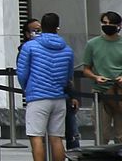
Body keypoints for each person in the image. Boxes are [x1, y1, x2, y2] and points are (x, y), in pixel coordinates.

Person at [18, 12, 76, 161]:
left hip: (37, 96)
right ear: (58, 27)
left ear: (42, 27)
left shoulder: (29, 46)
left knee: (36, 137)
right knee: (56, 138)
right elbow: (69, 76)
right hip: (58, 97)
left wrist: (27, 88)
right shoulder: (67, 50)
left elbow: (22, 73)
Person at [80, 10, 122, 145]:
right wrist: (95, 77)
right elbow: (86, 68)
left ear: (119, 25)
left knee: (120, 134)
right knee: (101, 134)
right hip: (100, 93)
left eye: (111, 23)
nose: (107, 25)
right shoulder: (92, 44)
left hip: (120, 92)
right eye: (104, 23)